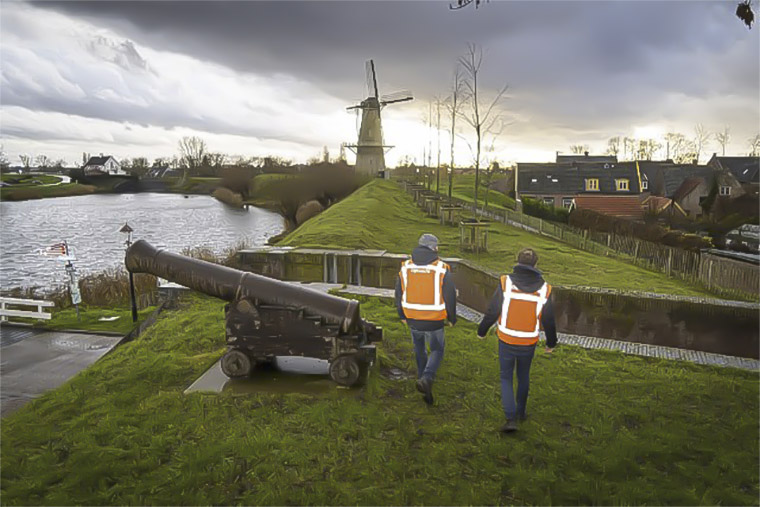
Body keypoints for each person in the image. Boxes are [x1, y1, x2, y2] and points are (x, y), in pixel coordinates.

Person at [477, 248, 557, 433]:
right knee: (523, 376)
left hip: (506, 339)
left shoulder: (506, 282)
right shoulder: (545, 289)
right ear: (535, 265)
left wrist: (482, 331)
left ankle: (510, 418)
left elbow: (493, 310)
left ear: (517, 261)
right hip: (528, 343)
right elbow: (549, 319)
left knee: (506, 377)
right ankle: (521, 413)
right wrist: (551, 343)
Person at [395, 233, 457, 405]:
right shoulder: (441, 268)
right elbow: (450, 295)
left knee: (419, 350)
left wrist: (401, 315)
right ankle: (427, 378)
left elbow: (398, 292)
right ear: (433, 248)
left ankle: (423, 383)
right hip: (434, 320)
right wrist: (452, 318)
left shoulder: (405, 267)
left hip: (412, 318)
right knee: (437, 350)